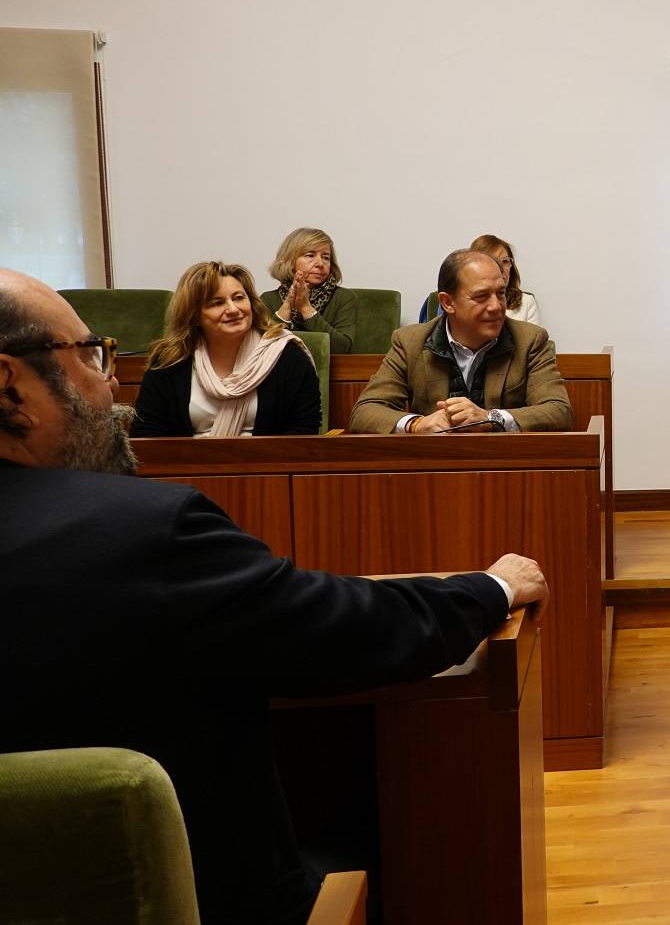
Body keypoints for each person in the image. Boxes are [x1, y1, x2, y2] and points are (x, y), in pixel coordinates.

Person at [0, 267, 548, 924]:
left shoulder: (526, 341)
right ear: (10, 386)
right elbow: (342, 629)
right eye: (90, 355)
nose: (112, 380)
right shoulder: (145, 533)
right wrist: (489, 587)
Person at [349, 249, 573, 434]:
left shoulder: (530, 340)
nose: (496, 306)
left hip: (507, 471)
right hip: (433, 471)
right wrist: (416, 424)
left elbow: (558, 411)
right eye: (481, 296)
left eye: (501, 293)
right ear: (448, 302)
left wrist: (490, 417)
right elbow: (365, 411)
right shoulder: (410, 342)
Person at [132, 261, 322, 437]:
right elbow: (147, 436)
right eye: (217, 303)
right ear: (194, 315)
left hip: (268, 470)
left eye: (238, 298)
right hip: (186, 470)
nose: (233, 309)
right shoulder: (170, 362)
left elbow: (303, 433)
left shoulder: (286, 355)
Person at [261, 227, 360, 353]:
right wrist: (287, 306)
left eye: (326, 257)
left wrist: (306, 308)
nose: (320, 263)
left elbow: (342, 348)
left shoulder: (344, 298)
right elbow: (261, 348)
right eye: (310, 255)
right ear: (290, 261)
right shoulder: (268, 299)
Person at [471, 233, 544, 326]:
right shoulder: (468, 302)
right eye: (493, 262)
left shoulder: (526, 302)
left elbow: (536, 339)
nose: (501, 268)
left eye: (505, 261)